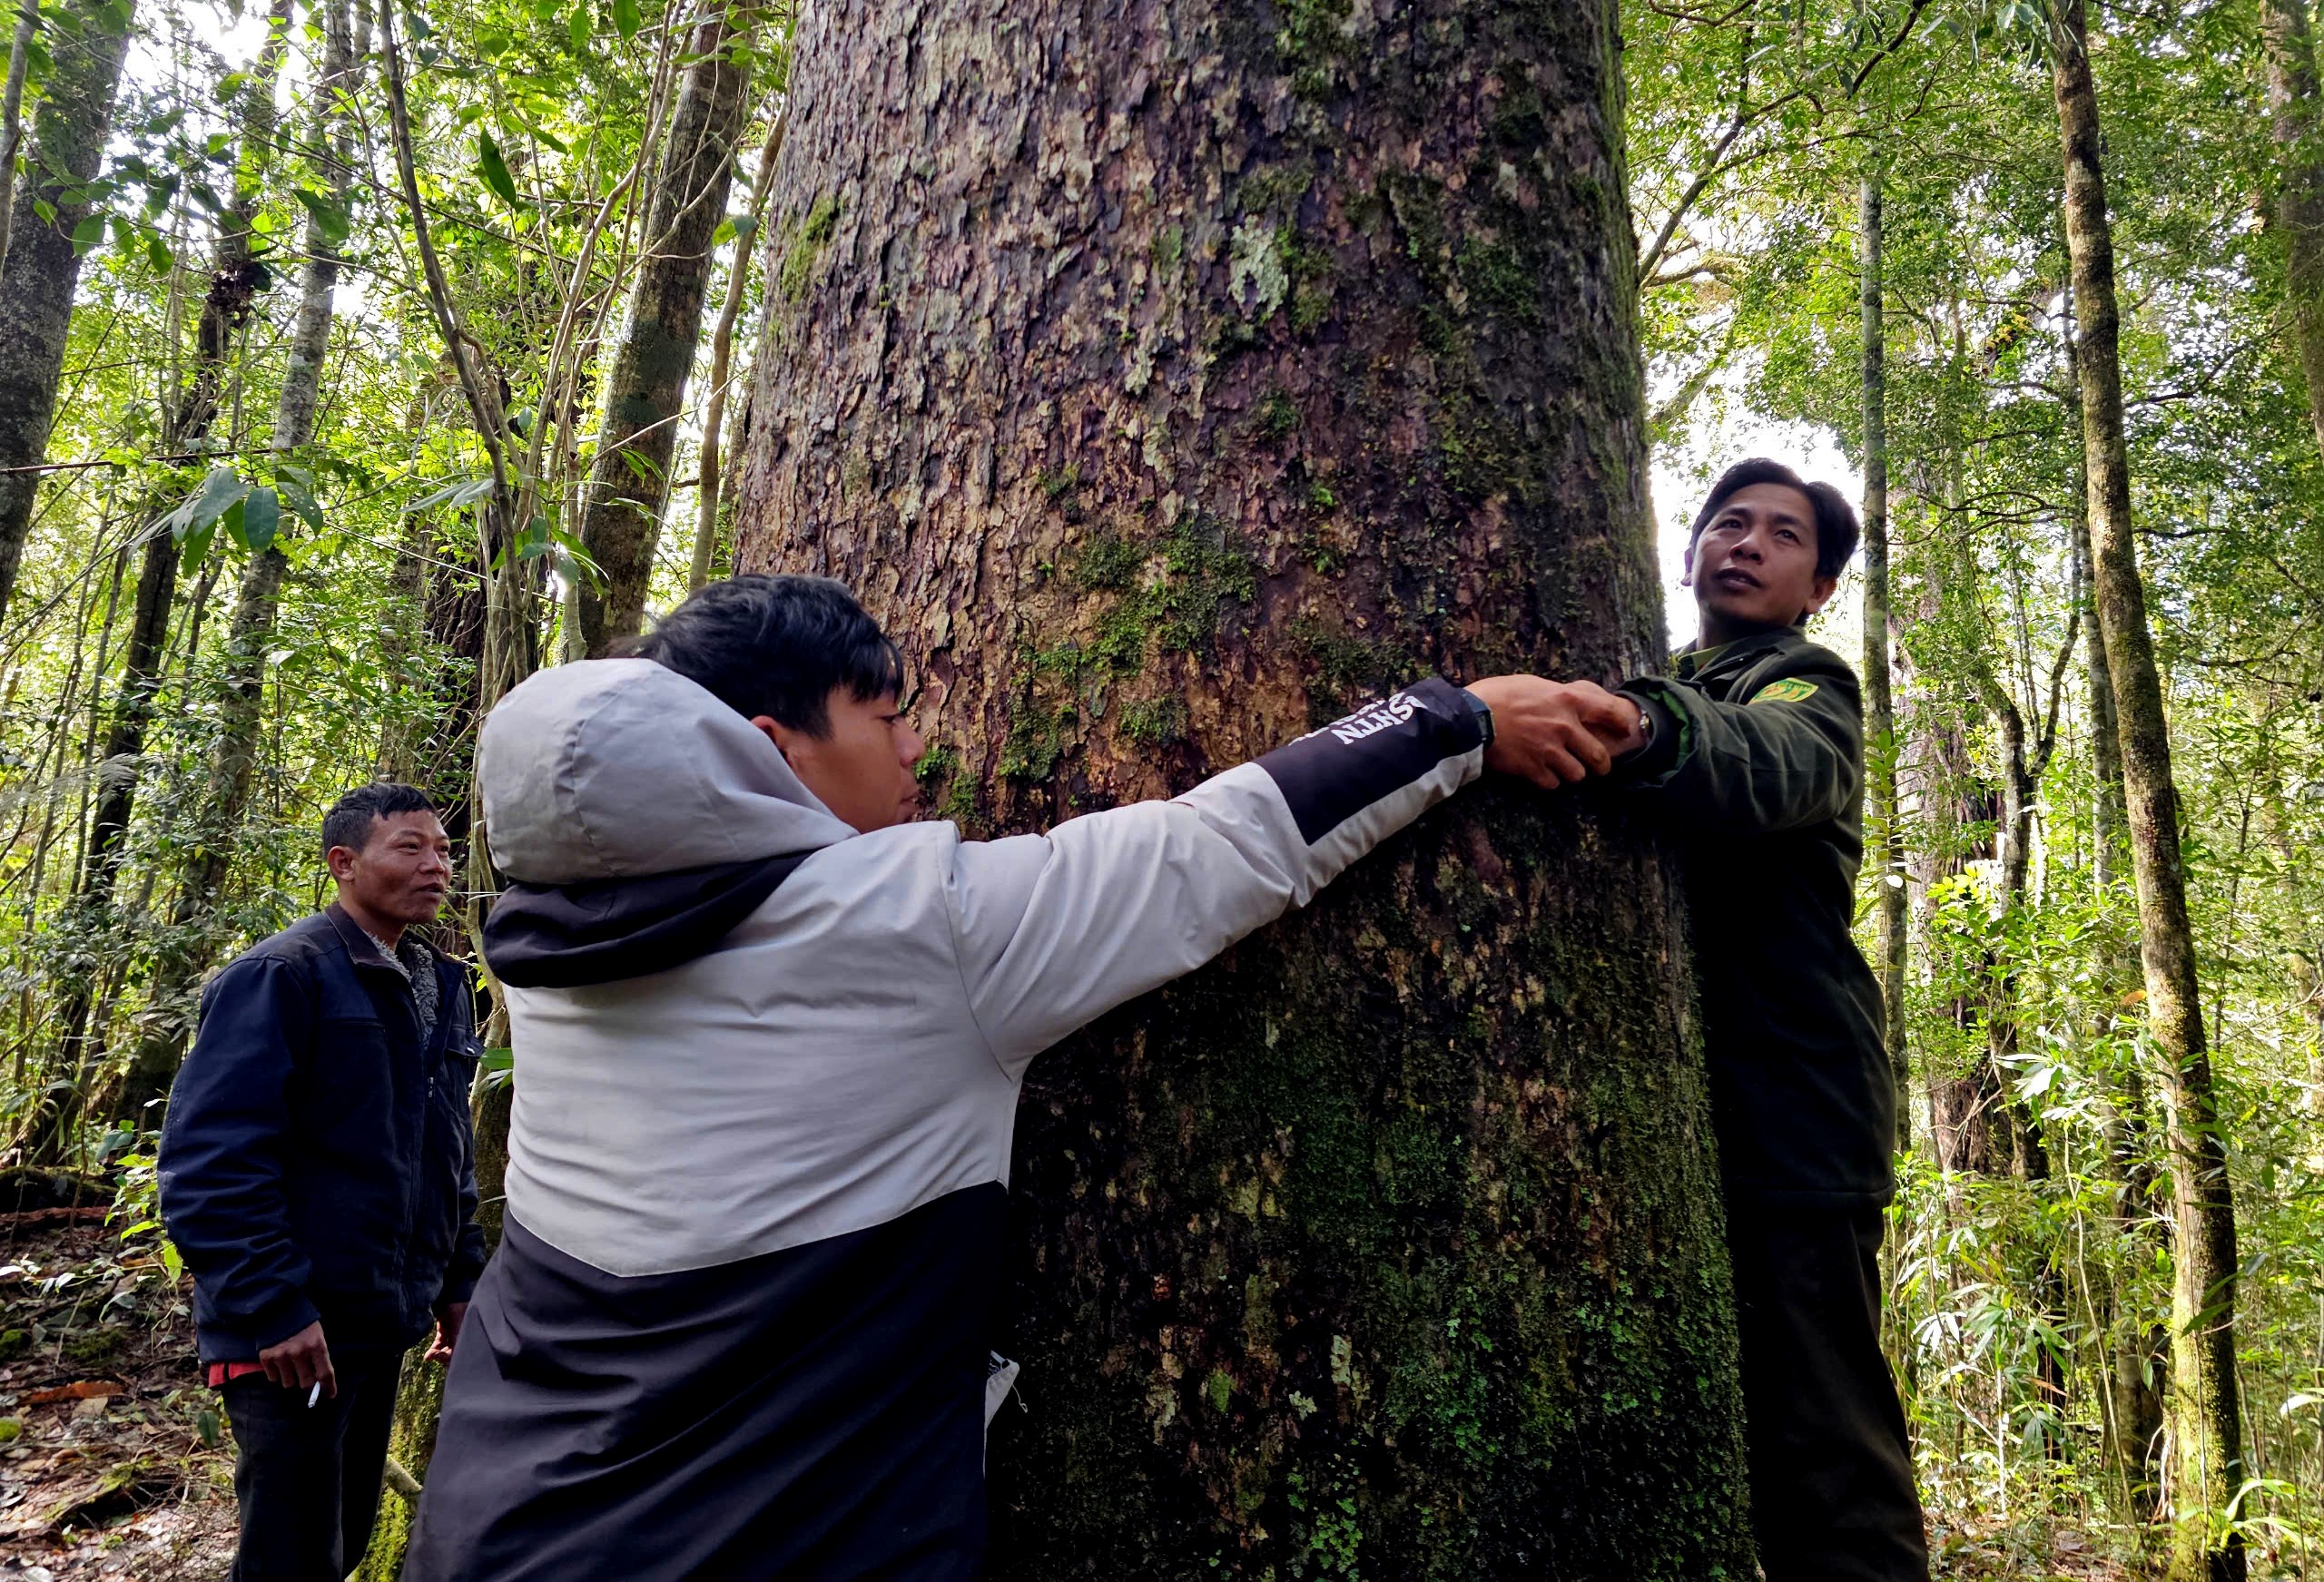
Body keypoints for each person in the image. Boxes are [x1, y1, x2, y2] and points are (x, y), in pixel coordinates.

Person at [403, 574, 1625, 1580]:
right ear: (775, 750)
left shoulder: (550, 943)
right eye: (885, 716)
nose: (919, 748)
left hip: (499, 1514)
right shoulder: (914, 929)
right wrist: (1454, 714)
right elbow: (1221, 847)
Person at [1543, 459, 1928, 1581]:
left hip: (1796, 1121)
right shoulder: (1666, 674)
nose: (1748, 543)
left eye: (1784, 536)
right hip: (1688, 1115)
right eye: (1729, 523)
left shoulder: (1805, 683)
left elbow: (1769, 766)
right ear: (1687, 551)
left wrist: (1640, 730)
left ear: (1817, 588)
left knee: (1823, 1454)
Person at [159, 783, 487, 1582]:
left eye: (442, 849)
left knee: (338, 1533)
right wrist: (273, 1305)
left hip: (378, 1324)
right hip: (290, 1336)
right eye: (409, 847)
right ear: (344, 863)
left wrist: (456, 1281)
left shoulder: (437, 983)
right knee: (291, 1554)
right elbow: (210, 1159)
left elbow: (440, 1150)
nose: (436, 865)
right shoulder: (282, 974)